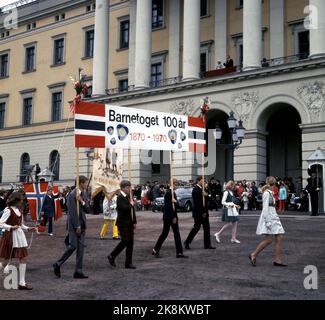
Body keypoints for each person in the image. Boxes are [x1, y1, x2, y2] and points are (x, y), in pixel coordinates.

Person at [53, 176, 90, 279]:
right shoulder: (72, 195)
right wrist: (77, 225)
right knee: (72, 246)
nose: (87, 185)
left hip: (83, 224)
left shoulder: (84, 193)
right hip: (74, 225)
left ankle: (78, 271)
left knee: (81, 249)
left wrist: (81, 201)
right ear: (81, 183)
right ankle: (58, 264)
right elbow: (72, 212)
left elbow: (88, 209)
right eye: (86, 183)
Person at [0, 192, 37, 290]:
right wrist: (11, 227)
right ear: (15, 200)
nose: (22, 201)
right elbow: (0, 223)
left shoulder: (19, 210)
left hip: (19, 237)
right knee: (5, 261)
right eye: (20, 199)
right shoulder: (8, 210)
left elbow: (20, 224)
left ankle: (22, 283)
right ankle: (21, 282)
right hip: (10, 236)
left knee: (24, 257)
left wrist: (28, 228)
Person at [249, 176, 286, 267]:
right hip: (269, 217)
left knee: (278, 237)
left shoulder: (270, 193)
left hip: (273, 216)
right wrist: (268, 222)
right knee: (269, 240)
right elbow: (265, 209)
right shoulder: (266, 193)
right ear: (274, 183)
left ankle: (277, 260)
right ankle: (254, 254)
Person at [152, 181, 188, 259]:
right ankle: (178, 252)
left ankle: (178, 252)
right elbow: (168, 207)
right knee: (168, 234)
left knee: (170, 234)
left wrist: (176, 202)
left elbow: (175, 206)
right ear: (173, 184)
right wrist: (173, 217)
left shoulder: (171, 193)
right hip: (170, 217)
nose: (177, 186)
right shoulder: (169, 193)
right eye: (176, 184)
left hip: (169, 216)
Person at [108, 180, 137, 269]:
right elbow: (123, 208)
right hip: (123, 223)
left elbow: (132, 211)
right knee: (125, 240)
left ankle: (128, 263)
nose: (130, 189)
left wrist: (134, 221)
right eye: (128, 188)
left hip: (130, 222)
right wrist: (131, 204)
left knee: (130, 242)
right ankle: (112, 255)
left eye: (130, 187)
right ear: (123, 188)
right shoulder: (119, 197)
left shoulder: (129, 196)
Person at [184, 176, 215, 250]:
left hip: (205, 212)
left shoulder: (203, 190)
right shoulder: (196, 189)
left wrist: (206, 195)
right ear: (198, 181)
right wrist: (203, 212)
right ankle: (187, 242)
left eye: (205, 181)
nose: (204, 182)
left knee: (207, 228)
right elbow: (197, 203)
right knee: (196, 228)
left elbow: (209, 200)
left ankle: (207, 245)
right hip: (199, 212)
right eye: (203, 181)